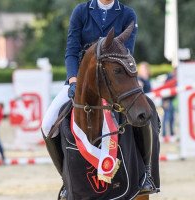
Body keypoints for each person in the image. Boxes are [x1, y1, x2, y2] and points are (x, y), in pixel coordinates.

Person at [42, 0, 159, 196]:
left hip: (113, 81)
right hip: (81, 81)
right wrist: (73, 81)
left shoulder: (127, 14)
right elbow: (71, 51)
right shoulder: (81, 11)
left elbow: (125, 52)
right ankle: (66, 181)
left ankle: (145, 174)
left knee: (147, 113)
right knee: (47, 124)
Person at [162, 68, 177, 140]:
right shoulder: (170, 78)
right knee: (167, 118)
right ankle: (164, 134)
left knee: (171, 118)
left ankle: (171, 133)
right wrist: (165, 101)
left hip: (171, 100)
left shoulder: (172, 77)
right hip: (167, 100)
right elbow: (165, 89)